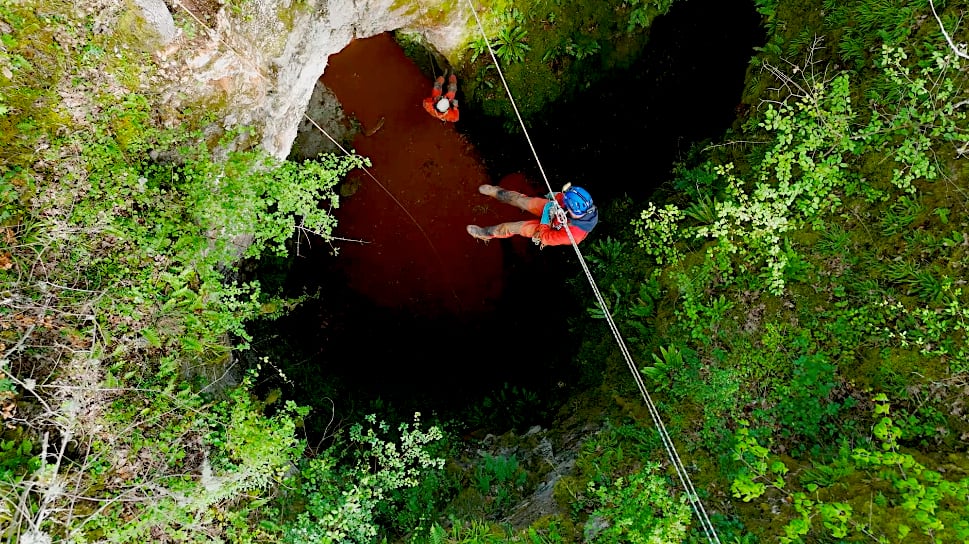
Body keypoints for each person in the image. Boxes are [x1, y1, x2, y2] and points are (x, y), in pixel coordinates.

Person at [467, 183, 598, 248]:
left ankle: (485, 233)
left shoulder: (573, 236)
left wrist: (546, 217)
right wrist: (556, 198)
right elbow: (562, 199)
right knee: (522, 201)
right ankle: (497, 192)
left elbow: (545, 238)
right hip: (554, 209)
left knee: (514, 227)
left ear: (572, 209)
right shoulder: (579, 205)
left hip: (547, 229)